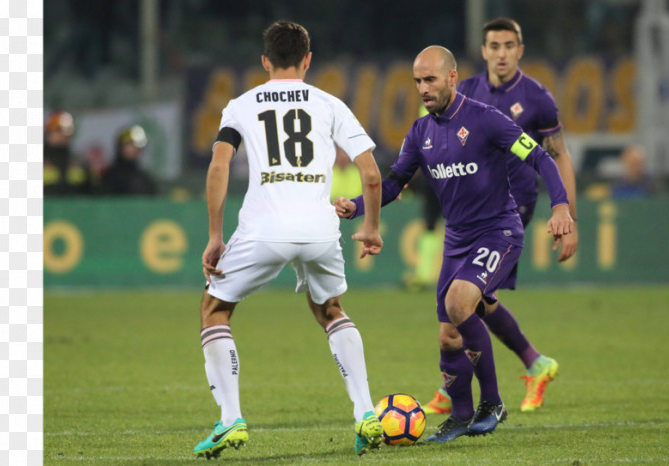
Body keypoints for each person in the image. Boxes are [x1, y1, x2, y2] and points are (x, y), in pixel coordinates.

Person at [334, 46, 574, 442]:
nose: (422, 88)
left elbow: (541, 159)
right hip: (458, 239)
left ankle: (492, 403)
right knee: (448, 336)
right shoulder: (420, 132)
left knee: (460, 302)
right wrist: (357, 206)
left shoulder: (486, 120)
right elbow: (394, 183)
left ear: (451, 77)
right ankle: (461, 416)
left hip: (499, 231)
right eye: (417, 82)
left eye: (430, 79)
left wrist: (561, 207)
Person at [193, 21, 385, 458]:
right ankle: (365, 413)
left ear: (265, 62)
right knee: (331, 309)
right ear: (308, 60)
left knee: (215, 308)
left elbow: (219, 167)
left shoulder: (241, 105)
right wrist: (371, 227)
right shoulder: (329, 104)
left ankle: (230, 420)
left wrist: (215, 235)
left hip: (265, 227)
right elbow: (371, 174)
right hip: (319, 229)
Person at [420, 17, 580, 417]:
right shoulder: (466, 91)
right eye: (494, 46)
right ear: (484, 51)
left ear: (520, 50)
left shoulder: (538, 98)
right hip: (470, 207)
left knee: (468, 298)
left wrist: (568, 216)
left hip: (511, 207)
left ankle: (463, 386)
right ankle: (531, 364)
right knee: (474, 300)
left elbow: (557, 155)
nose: (502, 53)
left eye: (510, 45)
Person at [43, 110, 97, 195]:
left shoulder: (79, 161)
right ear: (49, 132)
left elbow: (93, 191)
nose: (64, 135)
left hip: (76, 207)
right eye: (59, 130)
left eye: (68, 132)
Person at [100, 125, 159, 196]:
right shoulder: (109, 178)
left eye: (137, 146)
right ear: (120, 147)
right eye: (129, 144)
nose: (134, 149)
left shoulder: (146, 179)